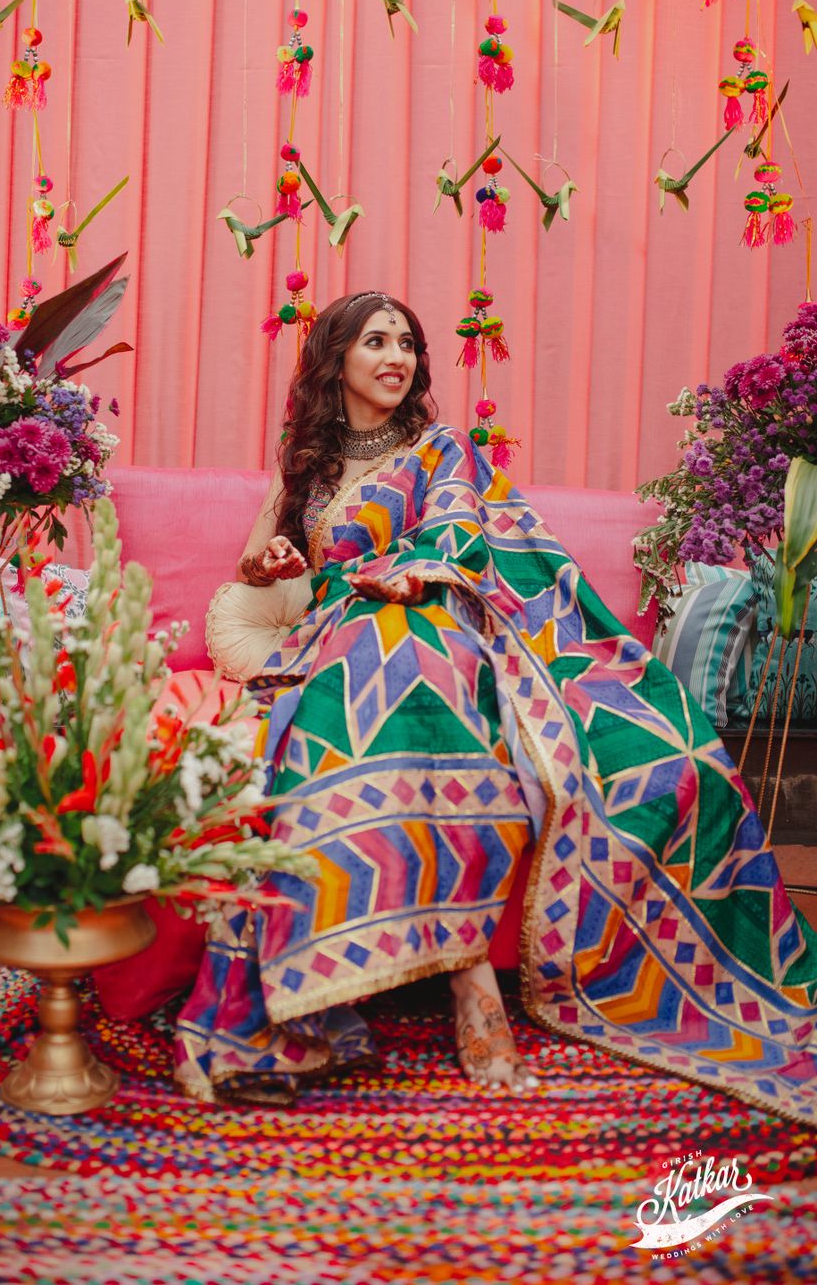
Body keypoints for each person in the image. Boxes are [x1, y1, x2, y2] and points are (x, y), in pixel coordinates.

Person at [174, 292, 817, 1123]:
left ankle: (465, 968)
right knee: (381, 654)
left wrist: (415, 574)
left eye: (406, 342)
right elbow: (258, 565)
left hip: (449, 613)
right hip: (343, 624)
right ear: (336, 360)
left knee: (423, 649)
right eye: (375, 342)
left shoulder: (442, 450)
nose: (396, 356)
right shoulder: (306, 466)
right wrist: (272, 563)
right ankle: (466, 973)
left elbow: (479, 546)